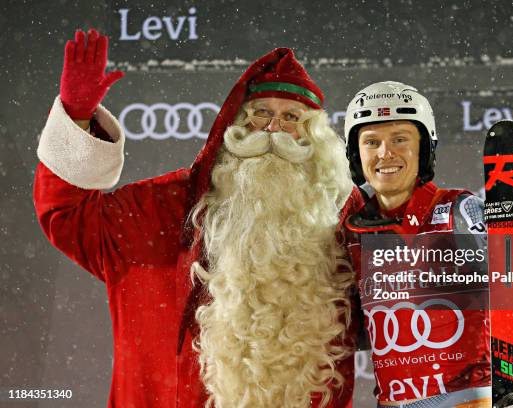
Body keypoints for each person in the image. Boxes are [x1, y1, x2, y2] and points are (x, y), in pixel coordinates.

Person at [33, 28, 362, 408]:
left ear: (313, 137)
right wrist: (76, 116)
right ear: (234, 125)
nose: (274, 128)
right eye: (261, 113)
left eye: (291, 117)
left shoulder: (344, 218)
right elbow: (69, 216)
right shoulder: (164, 207)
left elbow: (406, 291)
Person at [342, 81, 513, 407]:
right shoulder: (352, 233)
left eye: (399, 139)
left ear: (424, 149)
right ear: (356, 153)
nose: (385, 153)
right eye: (371, 142)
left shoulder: (459, 213)